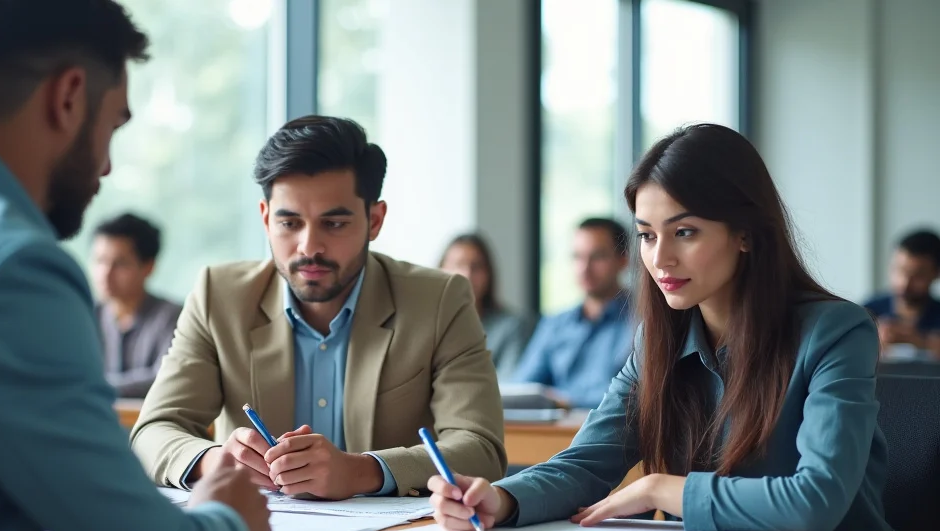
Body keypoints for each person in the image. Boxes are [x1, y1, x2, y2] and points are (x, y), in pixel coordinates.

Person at [0, 1, 270, 531]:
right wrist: (228, 517)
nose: (105, 166)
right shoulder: (11, 273)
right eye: (114, 125)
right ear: (68, 97)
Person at [426, 124, 894, 531]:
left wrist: (662, 489)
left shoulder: (836, 331)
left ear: (746, 233)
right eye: (647, 235)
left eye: (684, 232)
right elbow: (586, 463)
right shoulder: (659, 338)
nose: (661, 258)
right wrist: (501, 500)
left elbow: (815, 503)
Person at [130, 115, 506, 500]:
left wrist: (363, 471)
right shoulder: (218, 296)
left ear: (374, 220)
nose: (309, 246)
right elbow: (152, 432)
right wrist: (215, 461)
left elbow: (481, 448)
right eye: (290, 223)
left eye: (335, 224)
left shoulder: (440, 300)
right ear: (265, 218)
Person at [511, 218, 633, 408]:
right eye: (577, 257)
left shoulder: (642, 321)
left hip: (615, 432)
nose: (584, 268)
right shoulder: (555, 323)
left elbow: (634, 396)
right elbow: (523, 387)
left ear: (623, 260)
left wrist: (565, 400)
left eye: (598, 256)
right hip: (556, 433)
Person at [91, 213, 182, 397]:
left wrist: (95, 387)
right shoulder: (88, 314)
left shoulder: (172, 317)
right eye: (100, 261)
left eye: (120, 264)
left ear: (148, 266)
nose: (105, 274)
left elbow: (166, 379)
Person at [438, 233, 536, 380]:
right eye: (458, 265)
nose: (467, 274)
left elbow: (509, 385)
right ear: (441, 270)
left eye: (476, 267)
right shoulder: (428, 326)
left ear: (488, 273)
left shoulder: (513, 326)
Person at [864, 229, 940, 359]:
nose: (905, 283)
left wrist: (920, 341)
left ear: (936, 273)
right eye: (900, 270)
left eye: (918, 275)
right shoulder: (867, 312)